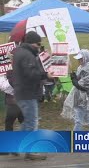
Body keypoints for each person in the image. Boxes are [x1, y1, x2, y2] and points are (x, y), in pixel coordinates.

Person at [12, 31, 53, 160]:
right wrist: (46, 75)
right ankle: (30, 152)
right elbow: (31, 74)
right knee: (32, 123)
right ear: (33, 43)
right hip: (27, 93)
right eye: (38, 43)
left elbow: (28, 72)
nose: (39, 46)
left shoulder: (20, 52)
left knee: (27, 122)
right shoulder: (27, 55)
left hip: (21, 92)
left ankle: (15, 145)